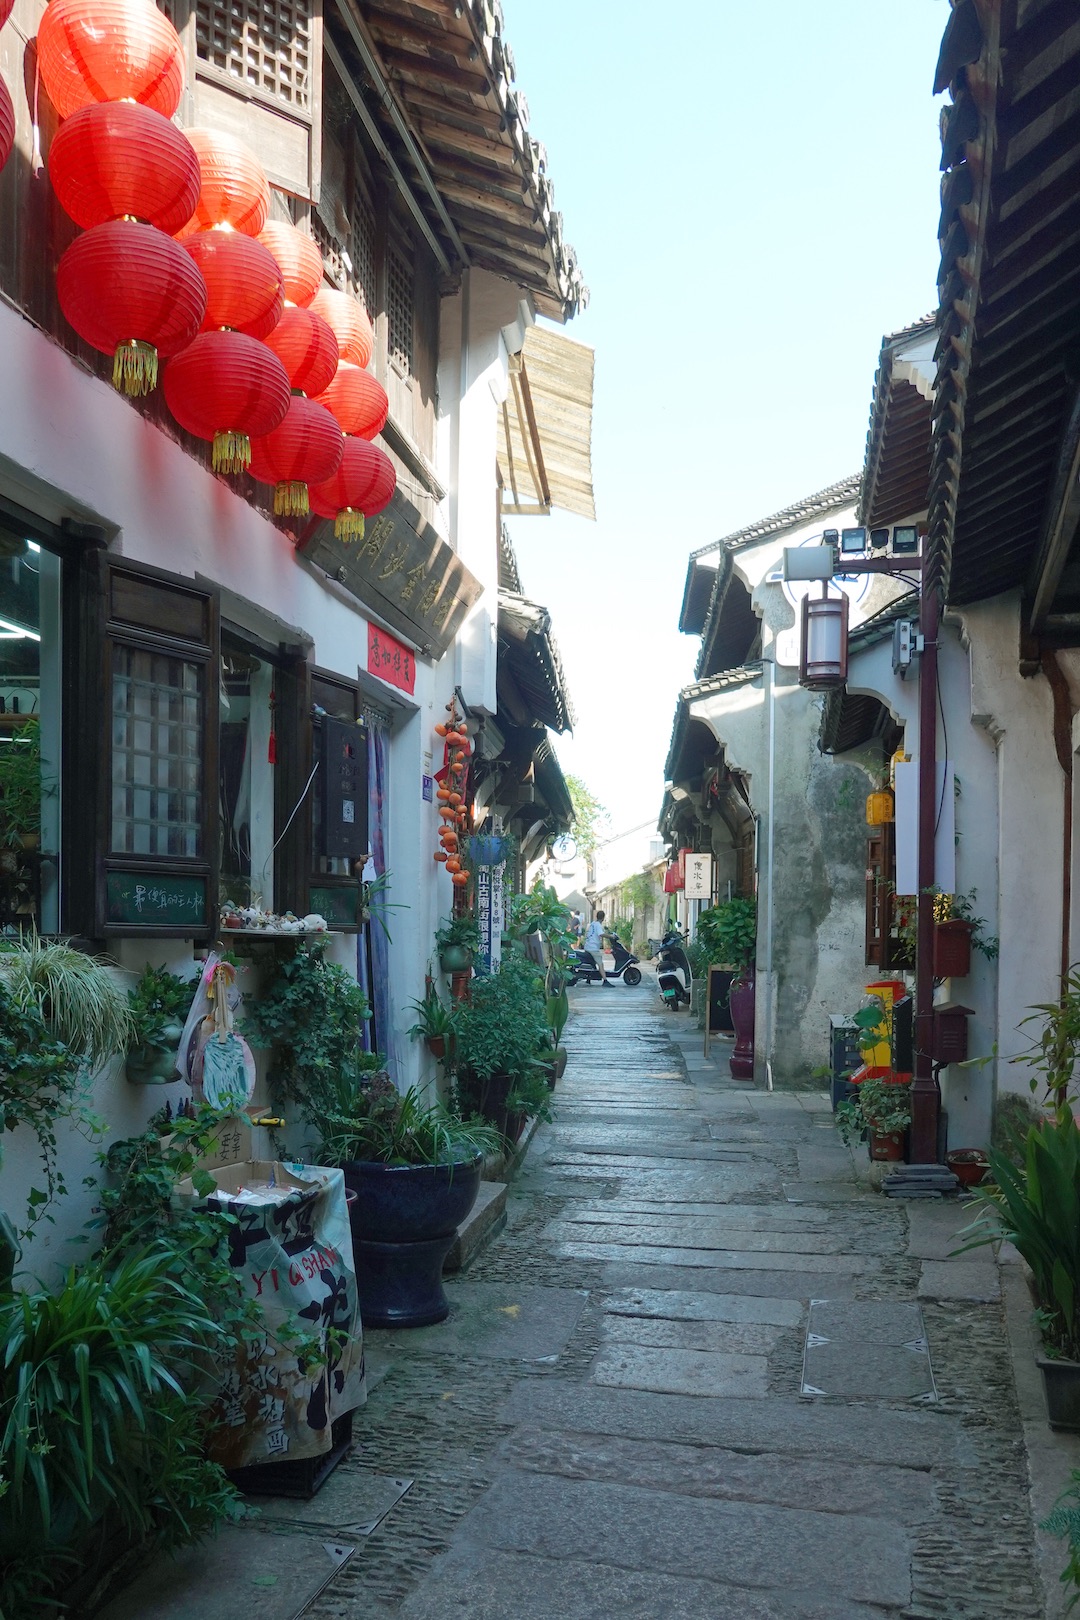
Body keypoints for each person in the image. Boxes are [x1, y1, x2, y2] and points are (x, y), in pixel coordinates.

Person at [583, 910, 609, 986]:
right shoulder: (598, 925)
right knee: (600, 963)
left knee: (591, 962)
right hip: (593, 948)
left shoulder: (592, 924)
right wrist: (610, 936)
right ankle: (605, 980)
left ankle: (588, 979)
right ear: (603, 918)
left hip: (588, 946)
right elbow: (601, 934)